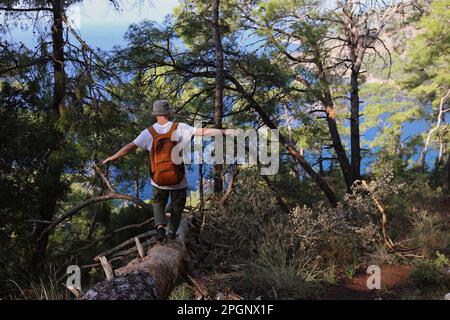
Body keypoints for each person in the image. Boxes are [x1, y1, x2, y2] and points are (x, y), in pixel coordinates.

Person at [102, 100, 233, 242]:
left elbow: (129, 147)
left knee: (158, 201)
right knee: (177, 206)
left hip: (158, 179)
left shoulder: (148, 133)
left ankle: (160, 229)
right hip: (178, 179)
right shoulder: (180, 127)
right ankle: (171, 232)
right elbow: (203, 131)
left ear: (155, 115)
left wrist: (113, 157)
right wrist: (224, 131)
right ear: (168, 113)